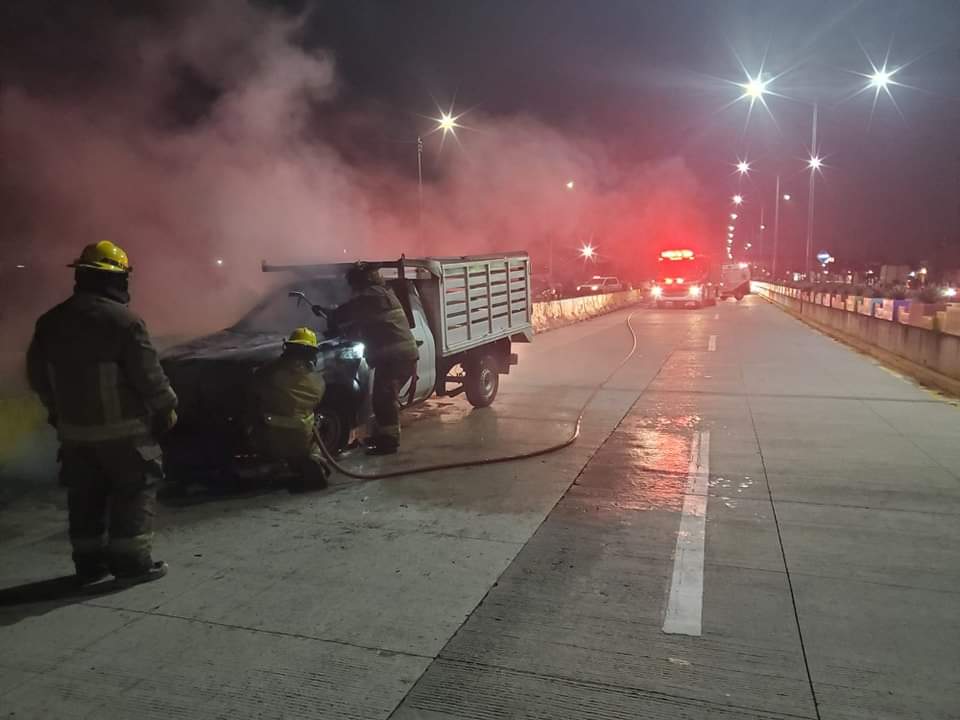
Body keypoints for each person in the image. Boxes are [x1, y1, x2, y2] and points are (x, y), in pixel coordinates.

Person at [27, 241, 177, 587]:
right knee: (133, 493)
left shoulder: (51, 321)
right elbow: (149, 376)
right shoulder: (124, 322)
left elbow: (38, 376)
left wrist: (57, 413)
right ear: (117, 280)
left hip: (75, 435)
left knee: (85, 498)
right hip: (125, 436)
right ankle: (132, 564)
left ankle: (89, 565)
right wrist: (167, 408)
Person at [326, 262, 419, 455]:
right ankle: (383, 436)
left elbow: (348, 312)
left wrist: (330, 314)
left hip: (397, 357)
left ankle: (390, 442)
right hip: (396, 356)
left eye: (353, 284)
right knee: (382, 398)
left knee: (384, 398)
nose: (352, 288)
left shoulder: (373, 295)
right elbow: (363, 323)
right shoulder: (380, 293)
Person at [248, 327, 330, 491]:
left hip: (269, 438)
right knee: (316, 423)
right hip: (302, 439)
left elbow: (253, 389)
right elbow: (316, 401)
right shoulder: (317, 381)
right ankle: (314, 460)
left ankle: (277, 466)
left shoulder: (269, 373)